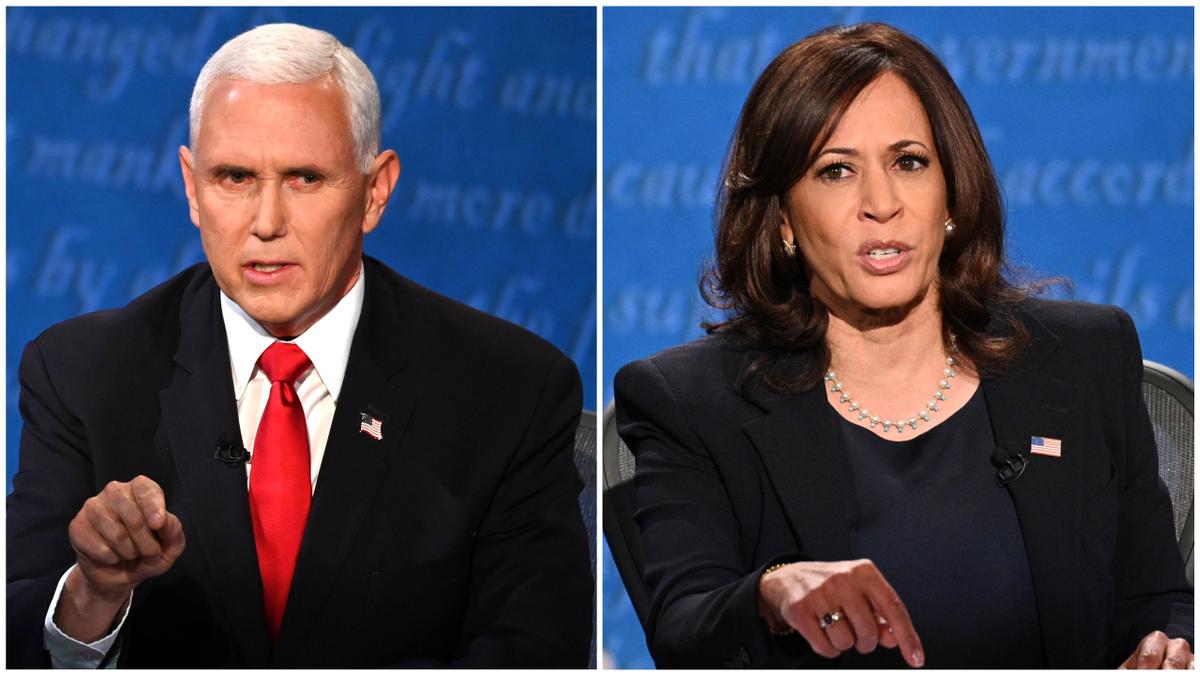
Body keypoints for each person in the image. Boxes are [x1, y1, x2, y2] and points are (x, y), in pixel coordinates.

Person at [7, 23, 592, 668]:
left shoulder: (508, 390)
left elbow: (535, 649)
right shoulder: (82, 374)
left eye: (305, 178)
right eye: (233, 177)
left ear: (375, 191)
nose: (265, 223)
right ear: (191, 186)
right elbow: (19, 641)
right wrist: (92, 592)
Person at [614, 22, 1192, 669]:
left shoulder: (1087, 356)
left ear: (951, 192)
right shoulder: (690, 399)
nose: (881, 203)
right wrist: (771, 592)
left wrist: (1166, 648)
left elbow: (1158, 599)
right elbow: (684, 627)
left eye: (909, 162)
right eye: (836, 171)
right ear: (782, 221)